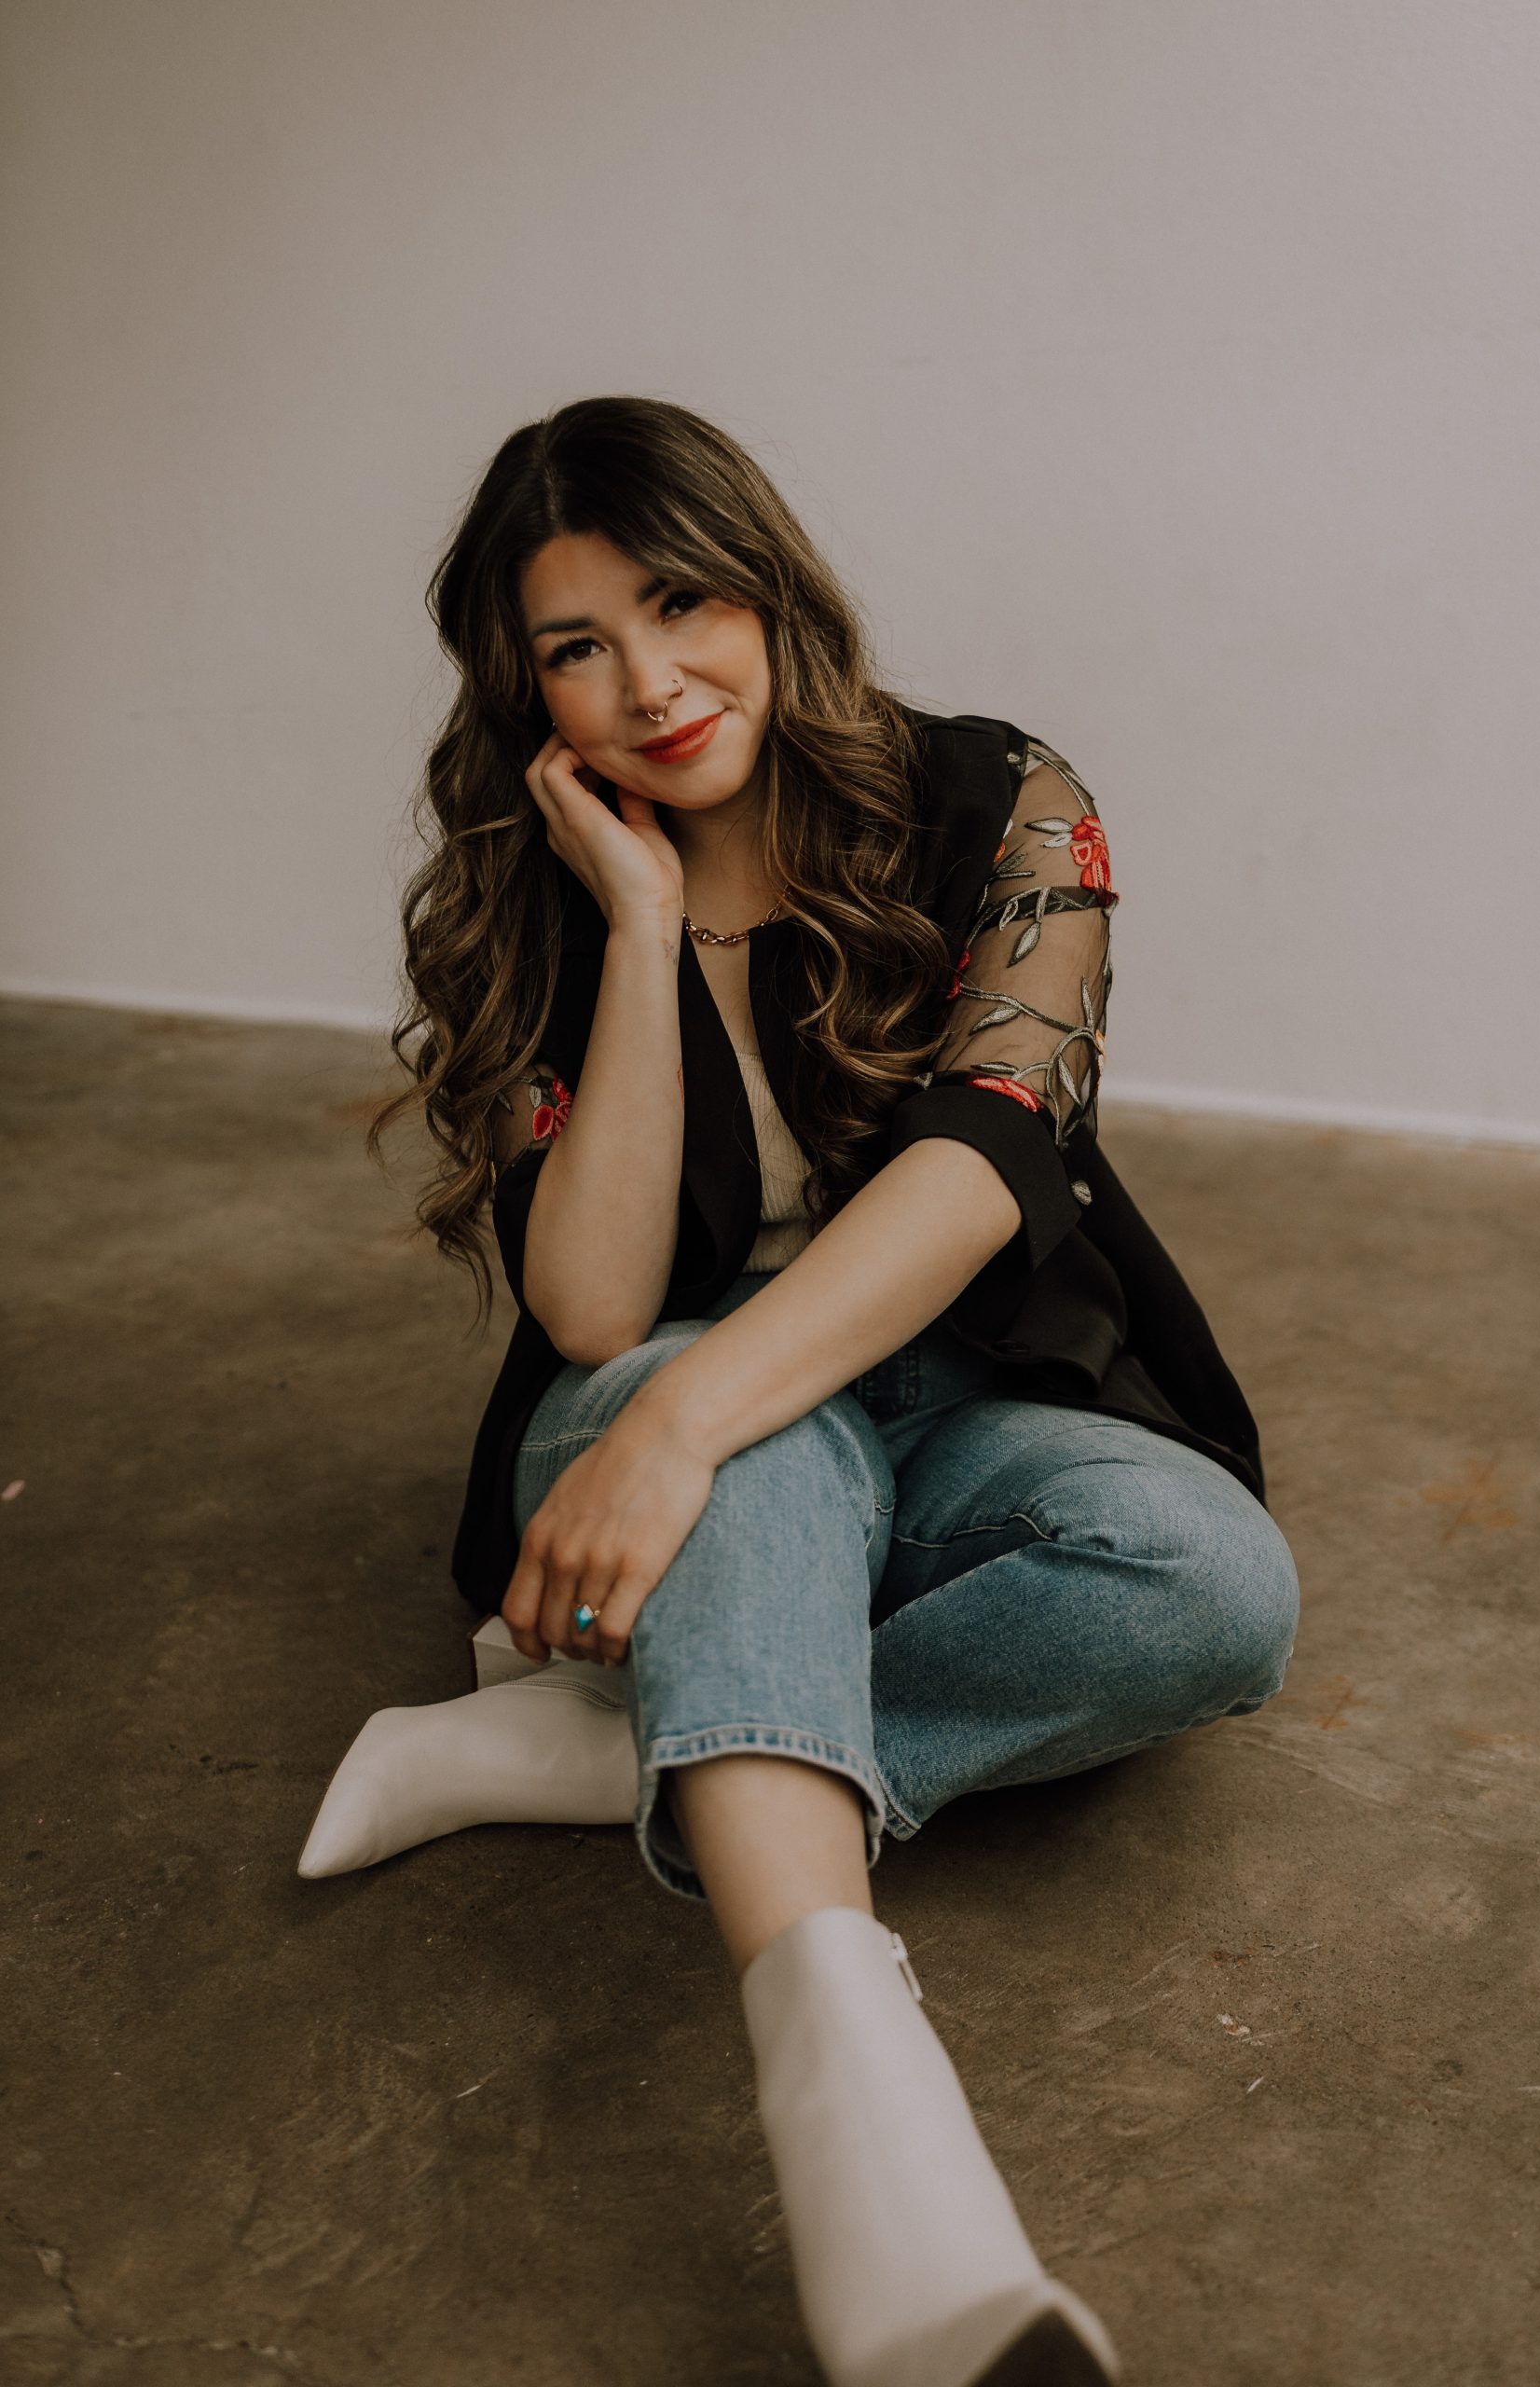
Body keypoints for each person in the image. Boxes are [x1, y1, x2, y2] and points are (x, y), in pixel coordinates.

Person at [297, 395, 1300, 2387]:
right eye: (577, 646)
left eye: (681, 603)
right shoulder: (538, 880)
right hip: (670, 1389)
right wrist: (640, 927)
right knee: (746, 1446)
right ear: (523, 686)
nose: (650, 684)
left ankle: (626, 1740)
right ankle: (888, 2197)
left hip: (960, 1379)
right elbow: (598, 1310)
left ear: (766, 584)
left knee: (1211, 1588)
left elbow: (982, 1162)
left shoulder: (1002, 799)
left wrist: (682, 1432)